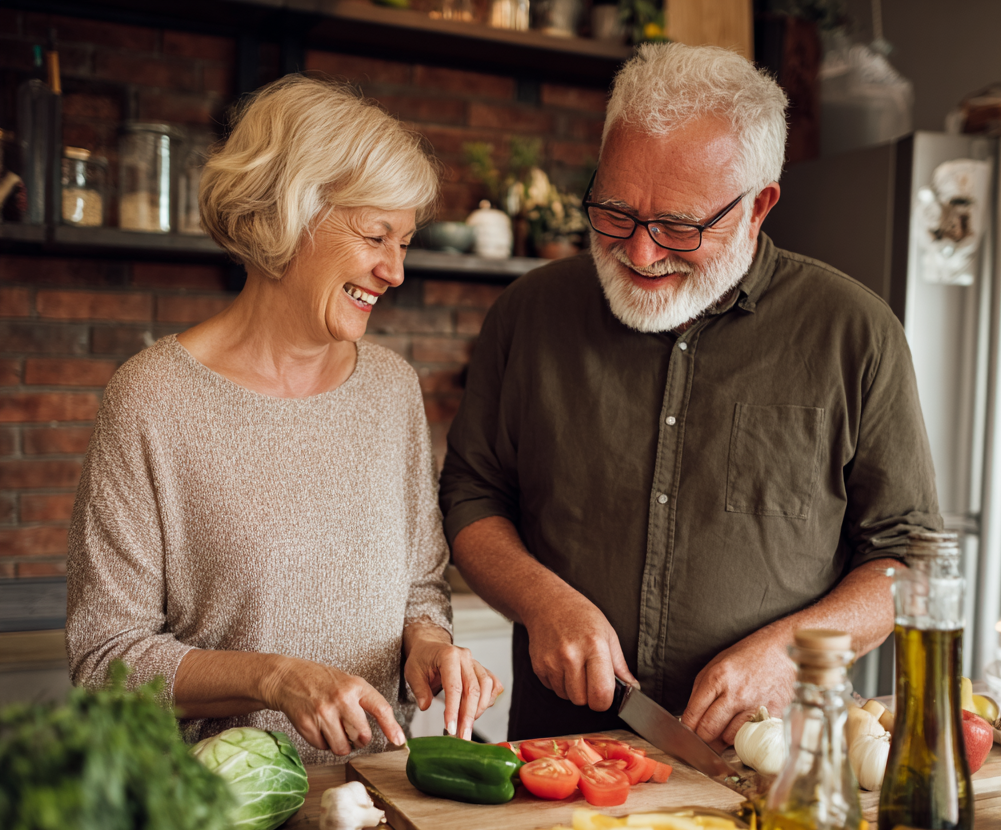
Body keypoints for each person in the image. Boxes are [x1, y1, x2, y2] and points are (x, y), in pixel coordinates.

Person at [439, 44, 941, 745]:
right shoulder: (528, 315)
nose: (640, 254)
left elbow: (906, 554)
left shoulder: (853, 333)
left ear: (759, 206)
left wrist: (798, 650)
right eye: (614, 213)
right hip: (565, 760)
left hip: (778, 764)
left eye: (679, 227)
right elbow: (471, 495)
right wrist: (541, 600)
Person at [66, 75, 501, 764]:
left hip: (376, 807)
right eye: (376, 235)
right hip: (217, 822)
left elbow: (420, 587)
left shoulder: (390, 388)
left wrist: (432, 646)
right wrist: (274, 678)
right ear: (290, 213)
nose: (394, 270)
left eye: (406, 241)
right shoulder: (152, 398)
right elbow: (106, 661)